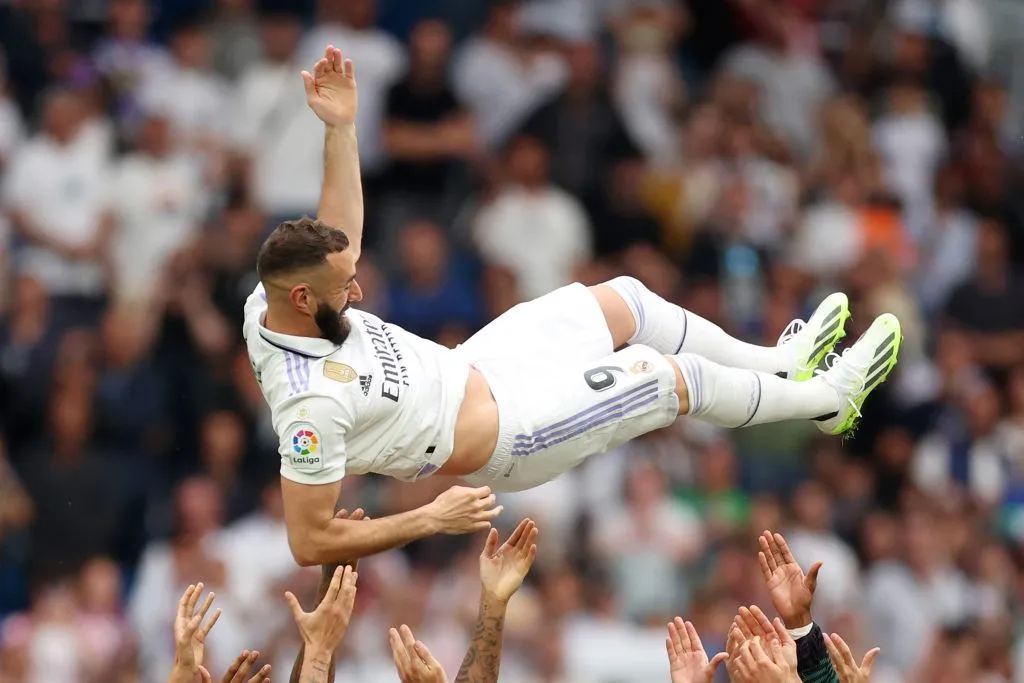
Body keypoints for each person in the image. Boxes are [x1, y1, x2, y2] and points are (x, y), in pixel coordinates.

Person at [243, 46, 904, 567]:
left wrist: (342, 127)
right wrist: (427, 518)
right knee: (660, 376)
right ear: (301, 299)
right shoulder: (310, 407)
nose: (356, 289)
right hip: (509, 435)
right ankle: (825, 401)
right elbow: (309, 540)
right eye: (342, 288)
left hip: (477, 365)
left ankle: (782, 358)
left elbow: (341, 235)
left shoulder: (277, 297)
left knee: (622, 301)